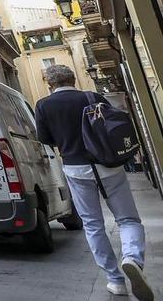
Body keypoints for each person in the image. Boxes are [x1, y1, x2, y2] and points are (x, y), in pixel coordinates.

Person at [35, 65, 153, 300]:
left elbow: (44, 138)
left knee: (92, 225)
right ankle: (132, 258)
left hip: (75, 167)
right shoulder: (92, 97)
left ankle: (115, 280)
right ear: (74, 78)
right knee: (128, 218)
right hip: (107, 165)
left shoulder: (43, 105)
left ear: (50, 84)